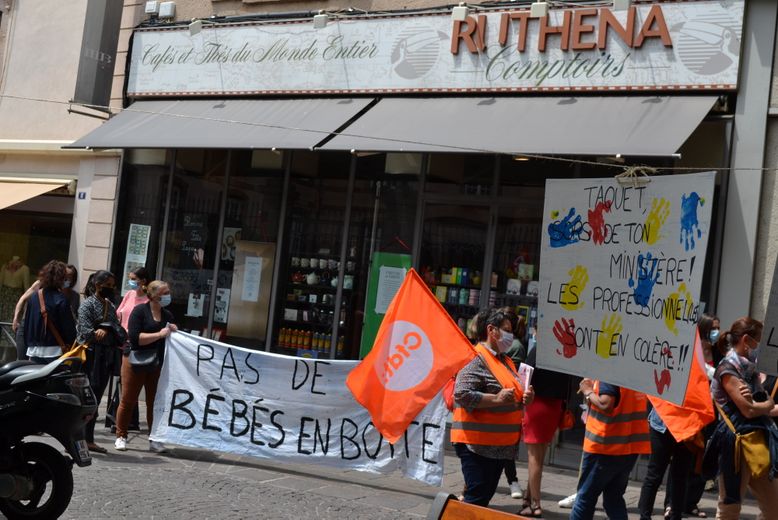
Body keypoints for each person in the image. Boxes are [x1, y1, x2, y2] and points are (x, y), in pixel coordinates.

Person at [451, 307, 534, 508]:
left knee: (481, 500)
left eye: (511, 331)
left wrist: (526, 398)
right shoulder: (476, 358)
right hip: (477, 446)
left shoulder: (505, 360)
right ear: (491, 330)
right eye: (506, 329)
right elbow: (461, 393)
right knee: (476, 501)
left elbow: (512, 395)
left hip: (499, 447)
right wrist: (495, 399)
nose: (510, 335)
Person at [707, 317, 778, 519]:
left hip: (758, 443)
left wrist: (759, 404)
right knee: (730, 508)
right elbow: (747, 410)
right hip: (735, 446)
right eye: (758, 340)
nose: (760, 346)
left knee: (774, 508)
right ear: (746, 340)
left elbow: (754, 404)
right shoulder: (727, 369)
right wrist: (767, 405)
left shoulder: (751, 369)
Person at [570, 378, 650, 520]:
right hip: (629, 447)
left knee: (585, 498)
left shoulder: (610, 369)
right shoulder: (637, 370)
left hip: (605, 447)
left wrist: (587, 391)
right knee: (614, 499)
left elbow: (605, 403)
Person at [115, 280, 176, 453]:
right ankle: (121, 435)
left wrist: (174, 331)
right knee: (128, 400)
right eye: (165, 293)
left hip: (156, 364)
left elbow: (170, 337)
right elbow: (135, 338)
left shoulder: (167, 315)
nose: (168, 296)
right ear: (155, 296)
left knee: (154, 403)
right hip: (135, 361)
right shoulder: (139, 311)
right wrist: (159, 334)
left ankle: (154, 438)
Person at [519, 331, 572, 518]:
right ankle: (527, 499)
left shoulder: (539, 350)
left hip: (536, 404)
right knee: (539, 457)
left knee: (534, 458)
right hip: (554, 407)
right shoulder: (565, 351)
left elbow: (524, 376)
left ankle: (535, 504)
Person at [77, 270, 126, 454]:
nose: (112, 289)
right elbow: (85, 331)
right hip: (90, 355)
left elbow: (116, 328)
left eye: (113, 286)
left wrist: (107, 329)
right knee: (87, 396)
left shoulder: (110, 306)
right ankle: (79, 437)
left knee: (97, 396)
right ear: (98, 285)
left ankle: (88, 438)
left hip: (106, 355)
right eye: (109, 285)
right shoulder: (87, 305)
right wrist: (100, 330)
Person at [22, 260, 76, 363]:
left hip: (33, 351)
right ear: (60, 278)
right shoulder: (61, 299)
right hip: (55, 351)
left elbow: (27, 323)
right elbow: (68, 328)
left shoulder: (33, 297)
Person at [501, 310, 527, 501]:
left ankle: (513, 481)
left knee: (506, 445)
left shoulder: (515, 346)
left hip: (507, 402)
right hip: (499, 401)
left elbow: (513, 375)